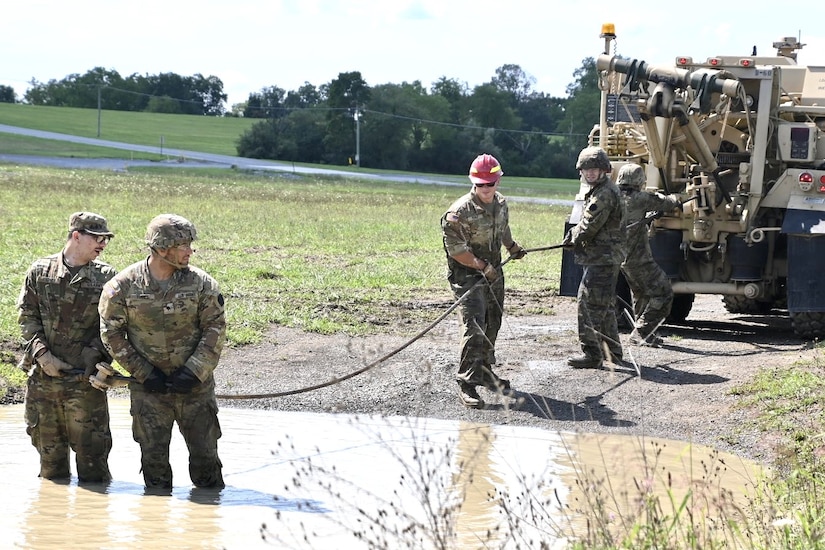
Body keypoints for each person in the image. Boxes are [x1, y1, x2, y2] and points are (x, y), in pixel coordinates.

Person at [98, 214, 226, 491]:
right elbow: (111, 334)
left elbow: (215, 329)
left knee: (206, 462)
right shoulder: (121, 287)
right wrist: (145, 373)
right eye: (184, 245)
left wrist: (194, 372)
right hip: (149, 391)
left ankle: (206, 525)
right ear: (162, 248)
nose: (190, 251)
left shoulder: (202, 284)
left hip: (196, 390)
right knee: (153, 464)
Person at [17, 212, 116, 482]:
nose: (103, 244)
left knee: (94, 470)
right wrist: (42, 354)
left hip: (85, 384)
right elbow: (27, 316)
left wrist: (95, 356)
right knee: (51, 471)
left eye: (105, 239)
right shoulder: (40, 271)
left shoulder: (107, 278)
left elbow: (114, 327)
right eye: (97, 238)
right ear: (76, 236)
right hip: (44, 384)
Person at [441, 153, 527, 408]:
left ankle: (485, 371)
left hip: (494, 272)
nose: (486, 189)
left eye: (490, 184)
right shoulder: (457, 213)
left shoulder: (501, 204)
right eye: (481, 185)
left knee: (492, 321)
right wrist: (482, 267)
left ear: (498, 182)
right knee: (475, 324)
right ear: (473, 183)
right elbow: (457, 251)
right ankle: (466, 382)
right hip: (467, 275)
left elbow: (502, 228)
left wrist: (512, 247)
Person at [562, 146, 627, 369]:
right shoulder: (601, 190)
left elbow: (589, 225)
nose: (589, 173)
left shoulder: (604, 193)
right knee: (604, 305)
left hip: (602, 258)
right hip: (604, 258)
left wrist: (571, 238)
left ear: (604, 170)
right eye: (586, 169)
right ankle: (613, 352)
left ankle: (592, 354)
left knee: (587, 305)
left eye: (594, 169)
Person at [617, 163, 682, 347]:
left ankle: (647, 335)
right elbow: (667, 202)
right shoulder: (641, 198)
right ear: (640, 181)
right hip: (640, 260)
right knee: (664, 293)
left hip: (623, 260)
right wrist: (677, 198)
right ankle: (641, 332)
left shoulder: (614, 198)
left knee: (641, 294)